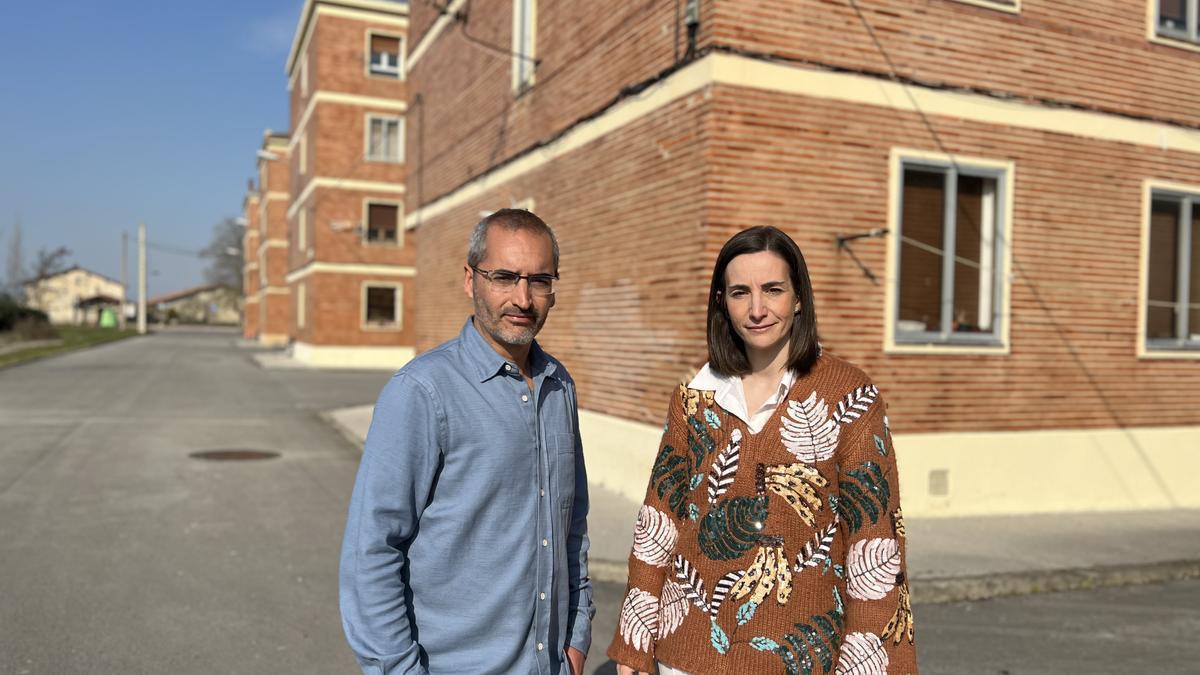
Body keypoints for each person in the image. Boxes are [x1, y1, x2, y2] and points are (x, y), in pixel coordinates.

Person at [607, 226, 917, 674]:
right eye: (739, 293)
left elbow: (876, 541)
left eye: (772, 289)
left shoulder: (849, 397)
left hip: (802, 658)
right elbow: (659, 522)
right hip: (684, 656)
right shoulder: (696, 397)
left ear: (798, 298)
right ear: (721, 303)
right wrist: (635, 643)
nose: (756, 309)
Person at [339, 209, 594, 674]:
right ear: (469, 279)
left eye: (539, 280)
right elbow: (372, 550)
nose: (522, 298)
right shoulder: (422, 392)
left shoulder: (560, 385)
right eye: (503, 277)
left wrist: (576, 635)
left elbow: (570, 525)